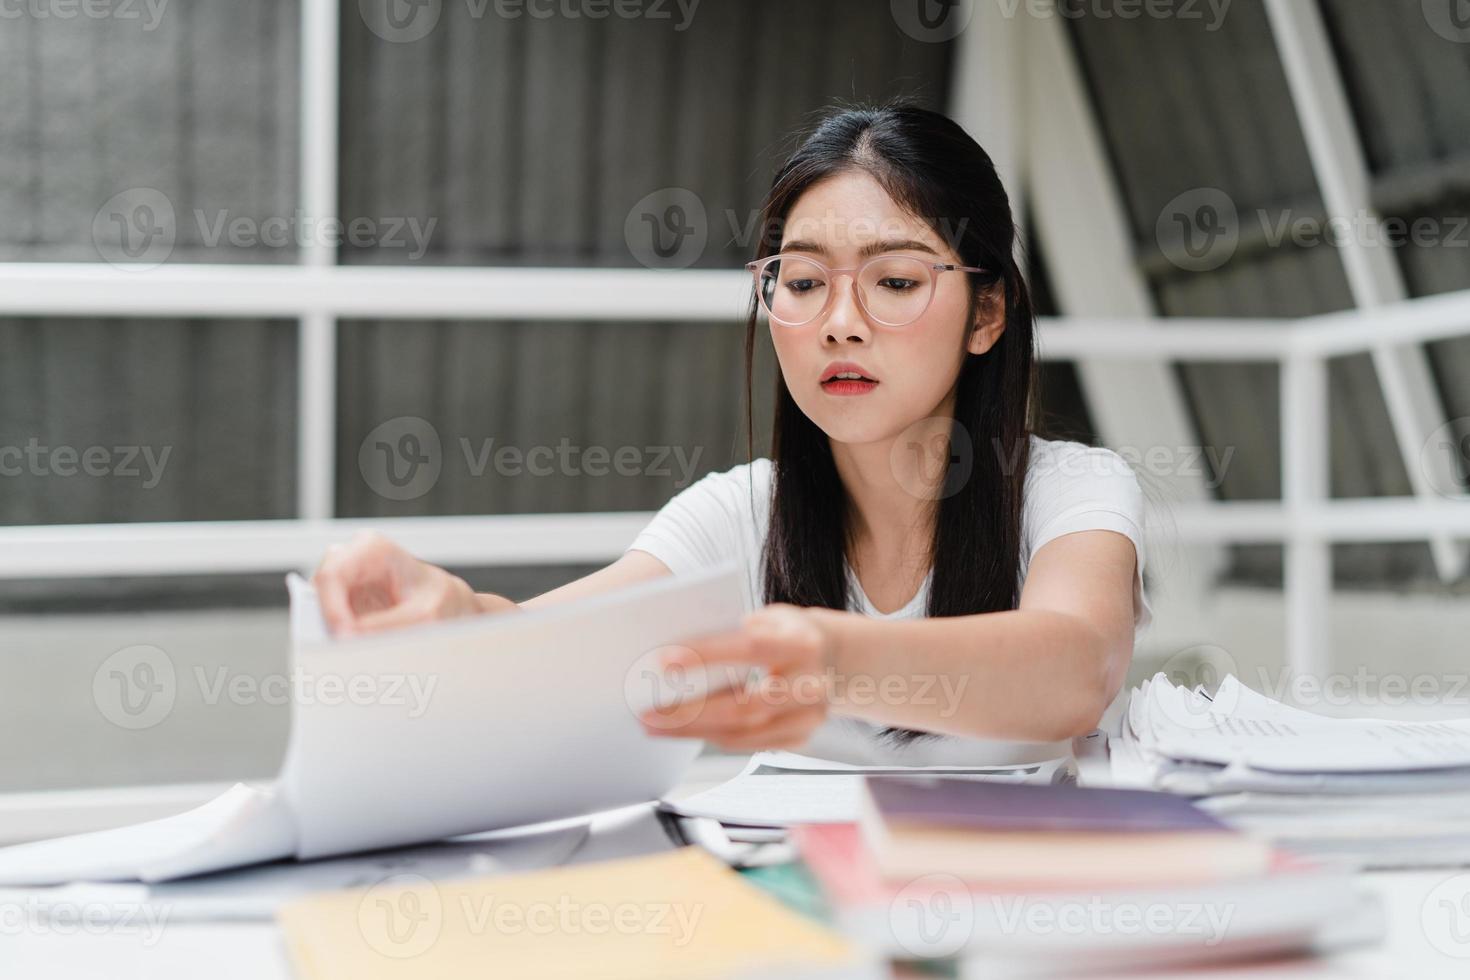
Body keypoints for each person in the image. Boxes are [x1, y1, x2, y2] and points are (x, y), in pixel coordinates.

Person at [313, 103, 1151, 767]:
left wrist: (826, 658)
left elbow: (1075, 670)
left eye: (895, 280)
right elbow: (555, 643)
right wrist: (455, 618)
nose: (840, 323)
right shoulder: (737, 516)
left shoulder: (1069, 491)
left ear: (988, 313)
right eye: (803, 281)